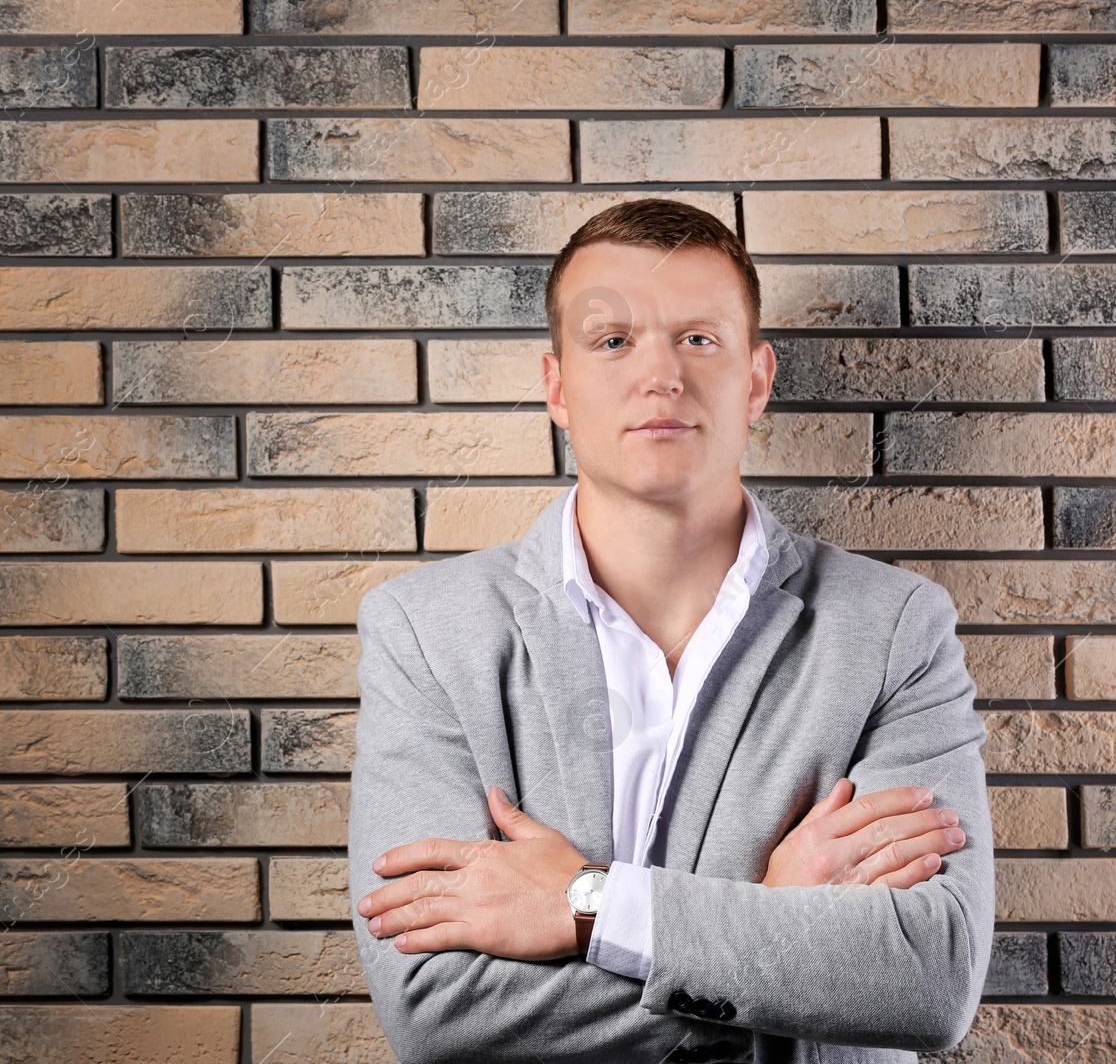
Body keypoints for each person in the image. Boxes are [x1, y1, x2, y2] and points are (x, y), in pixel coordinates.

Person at [347, 198, 994, 1063]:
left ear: (756, 380)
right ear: (558, 387)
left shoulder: (895, 628)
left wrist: (584, 904)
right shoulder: (426, 631)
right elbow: (436, 1009)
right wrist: (771, 910)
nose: (662, 376)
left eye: (699, 338)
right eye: (613, 340)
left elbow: (925, 979)